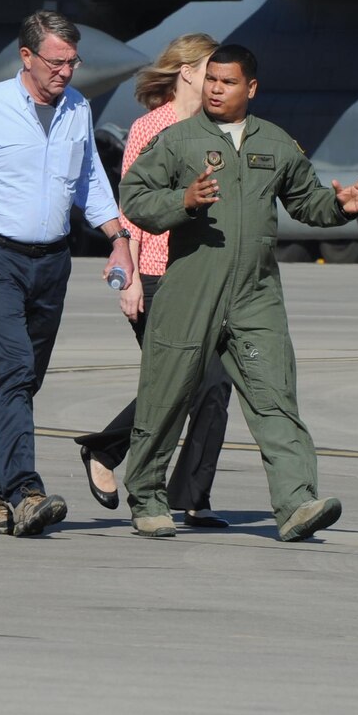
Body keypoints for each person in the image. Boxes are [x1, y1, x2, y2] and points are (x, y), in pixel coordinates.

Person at [117, 44, 358, 541]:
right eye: (211, 79)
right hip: (190, 289)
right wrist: (183, 201)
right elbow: (135, 197)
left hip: (255, 294)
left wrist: (340, 206)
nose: (215, 89)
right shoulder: (177, 141)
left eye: (227, 82)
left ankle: (297, 503)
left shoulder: (276, 144)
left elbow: (308, 202)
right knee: (164, 396)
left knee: (274, 395)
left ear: (250, 88)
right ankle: (147, 497)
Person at [0, 11, 135, 538]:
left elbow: (89, 182)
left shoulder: (77, 109)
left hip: (52, 260)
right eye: (56, 62)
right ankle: (24, 490)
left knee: (23, 379)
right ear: (27, 57)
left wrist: (120, 241)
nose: (66, 72)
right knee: (14, 368)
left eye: (72, 62)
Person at [71, 34, 234, 528]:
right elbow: (134, 211)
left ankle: (191, 496)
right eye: (211, 69)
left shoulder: (220, 129)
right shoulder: (152, 127)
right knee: (180, 382)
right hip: (158, 274)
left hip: (208, 275)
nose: (219, 81)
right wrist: (132, 279)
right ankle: (107, 453)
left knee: (214, 386)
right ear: (187, 71)